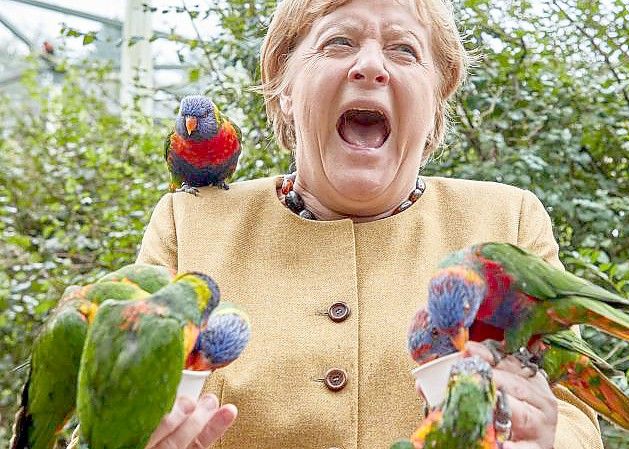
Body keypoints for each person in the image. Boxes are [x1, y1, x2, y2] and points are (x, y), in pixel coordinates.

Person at [137, 0, 604, 448]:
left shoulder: (508, 222)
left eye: (404, 50)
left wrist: (544, 438)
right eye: (338, 42)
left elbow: (574, 412)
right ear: (285, 89)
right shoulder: (188, 223)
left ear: (436, 102)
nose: (371, 67)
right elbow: (106, 403)